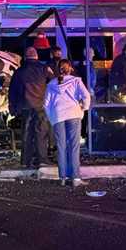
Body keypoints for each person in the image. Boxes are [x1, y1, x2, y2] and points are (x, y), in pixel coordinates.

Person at [44, 59, 91, 187]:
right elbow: (87, 96)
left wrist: (52, 118)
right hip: (74, 115)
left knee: (61, 147)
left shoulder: (51, 84)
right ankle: (75, 178)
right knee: (74, 147)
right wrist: (83, 108)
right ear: (70, 68)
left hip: (58, 117)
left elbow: (46, 105)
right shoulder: (76, 81)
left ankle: (63, 178)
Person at [9, 47, 54, 168]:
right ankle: (42, 160)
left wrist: (12, 107)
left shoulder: (19, 71)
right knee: (41, 133)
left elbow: (12, 91)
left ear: (25, 57)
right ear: (36, 56)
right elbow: (54, 83)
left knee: (27, 134)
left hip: (25, 106)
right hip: (41, 106)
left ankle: (25, 161)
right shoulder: (44, 68)